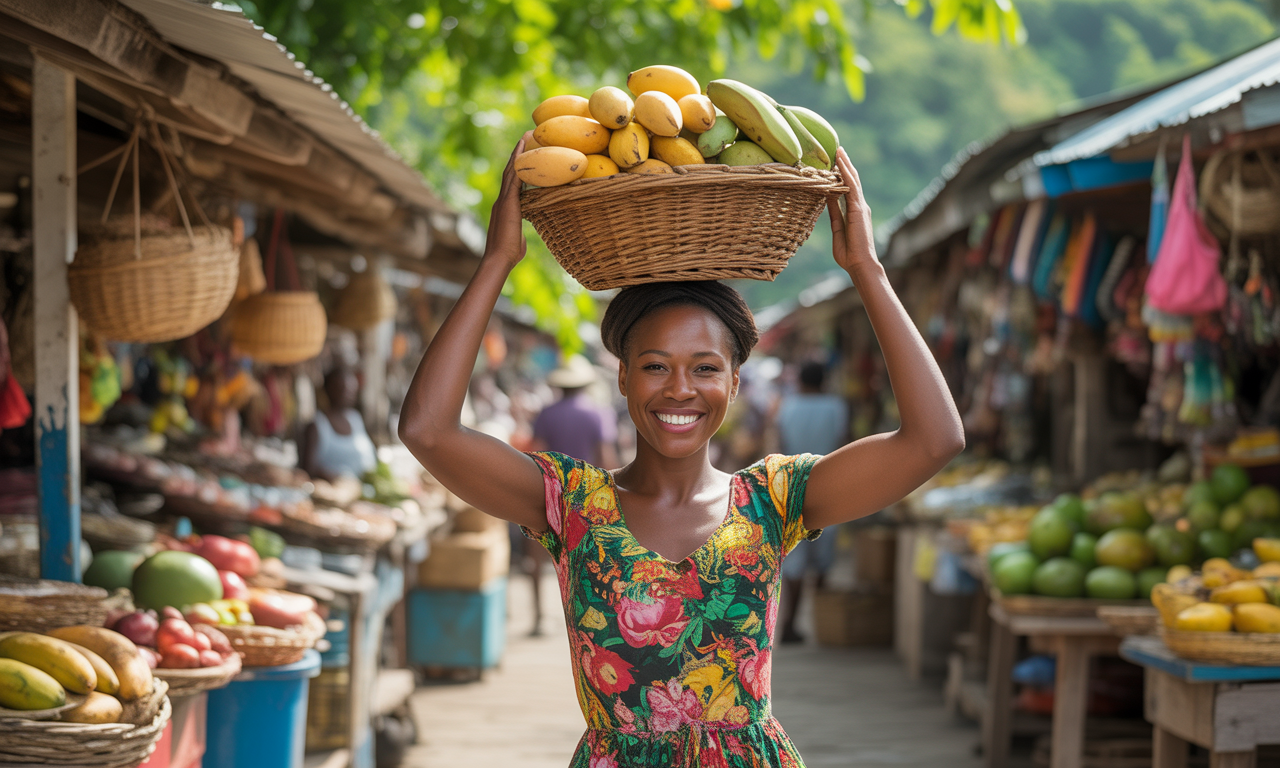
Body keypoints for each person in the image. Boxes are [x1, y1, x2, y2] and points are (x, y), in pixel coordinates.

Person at [398, 135, 964, 768]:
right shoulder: (569, 503)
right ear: (621, 377)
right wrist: (499, 258)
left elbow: (934, 440)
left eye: (704, 368)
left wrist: (867, 268)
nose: (680, 390)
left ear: (735, 382)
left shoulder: (777, 501)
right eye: (655, 366)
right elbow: (427, 430)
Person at [517, 354, 620, 634]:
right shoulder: (598, 413)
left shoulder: (547, 414)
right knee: (594, 562)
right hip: (589, 498)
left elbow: (535, 455)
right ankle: (591, 621)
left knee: (536, 555)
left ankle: (539, 617)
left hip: (552, 494)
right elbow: (607, 459)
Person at [774, 361, 849, 644]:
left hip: (793, 489)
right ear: (823, 381)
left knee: (794, 562)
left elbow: (779, 445)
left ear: (801, 381)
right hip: (830, 488)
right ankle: (822, 623)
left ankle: (790, 624)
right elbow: (844, 443)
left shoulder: (787, 406)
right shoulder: (836, 406)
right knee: (823, 562)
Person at [302, 366, 377, 481]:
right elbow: (308, 470)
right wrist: (338, 479)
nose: (349, 393)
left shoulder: (355, 419)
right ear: (329, 389)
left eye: (352, 389)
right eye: (343, 388)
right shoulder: (317, 425)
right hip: (335, 493)